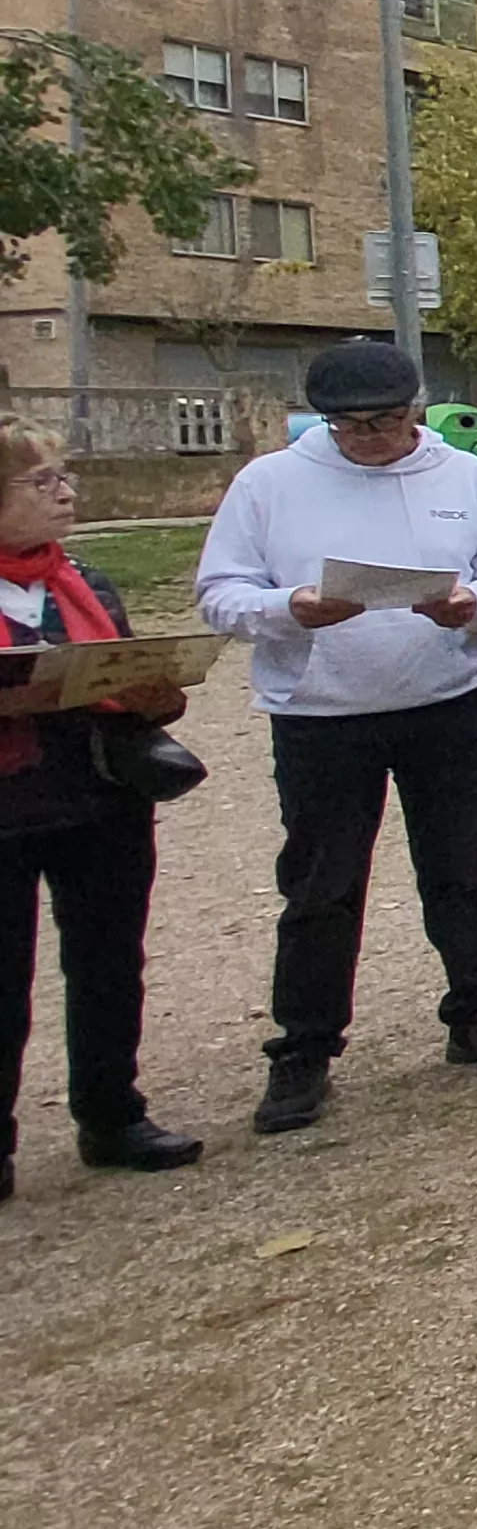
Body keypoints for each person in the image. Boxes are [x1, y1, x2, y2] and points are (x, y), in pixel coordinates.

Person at [196, 340, 477, 1130]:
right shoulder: (271, 483)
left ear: (415, 411)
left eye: (385, 422)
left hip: (446, 699)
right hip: (323, 712)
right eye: (349, 426)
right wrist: (290, 607)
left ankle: (476, 1008)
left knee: (460, 867)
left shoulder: (465, 475)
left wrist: (475, 605)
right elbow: (219, 592)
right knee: (322, 883)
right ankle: (306, 1044)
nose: (369, 438)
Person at [4, 422, 204, 1193]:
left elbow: (118, 679)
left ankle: (112, 1112)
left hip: (97, 793)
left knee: (109, 960)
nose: (64, 492)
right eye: (40, 482)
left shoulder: (83, 581)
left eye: (65, 476)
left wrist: (156, 693)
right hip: (10, 799)